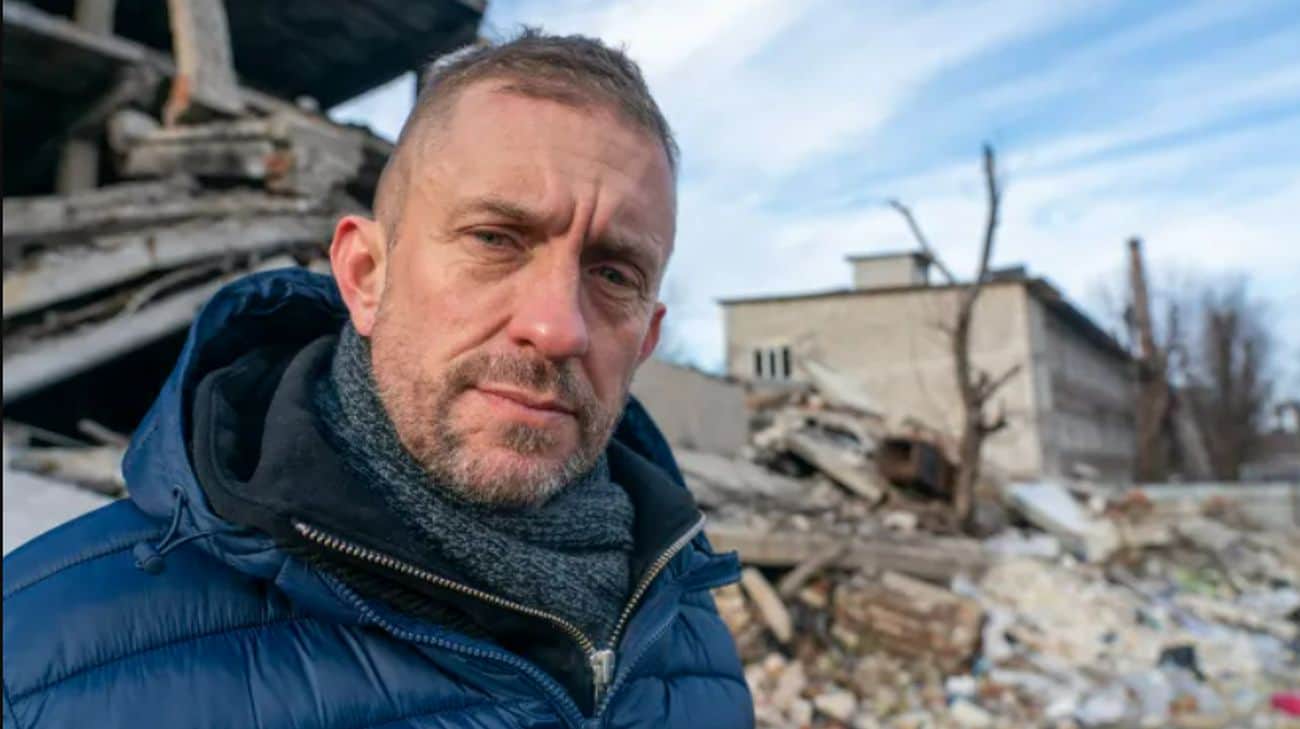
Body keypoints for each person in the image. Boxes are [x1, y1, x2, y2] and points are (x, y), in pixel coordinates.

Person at [2, 30, 752, 729]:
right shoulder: (37, 668)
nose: (558, 328)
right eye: (495, 239)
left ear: (647, 339)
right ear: (365, 275)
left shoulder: (694, 642)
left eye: (614, 274)